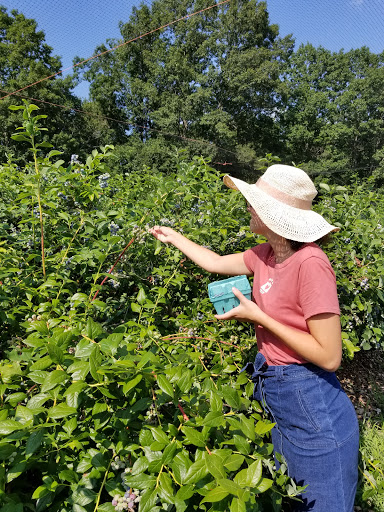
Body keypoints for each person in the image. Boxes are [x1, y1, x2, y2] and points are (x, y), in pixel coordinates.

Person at [149, 164, 359, 511]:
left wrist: (259, 316)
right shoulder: (264, 254)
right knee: (292, 495)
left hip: (310, 395)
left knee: (324, 501)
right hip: (274, 386)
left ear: (273, 215)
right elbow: (215, 262)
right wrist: (175, 237)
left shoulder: (311, 263)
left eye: (253, 202)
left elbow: (329, 356)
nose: (247, 207)